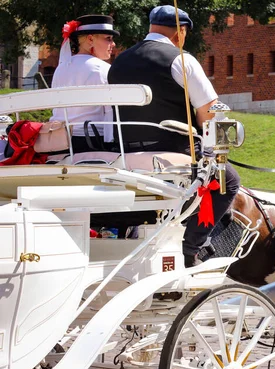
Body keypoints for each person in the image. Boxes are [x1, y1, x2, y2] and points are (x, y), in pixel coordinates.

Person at [108, 5, 240, 268]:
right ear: (180, 32)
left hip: (124, 154)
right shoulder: (181, 59)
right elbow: (210, 110)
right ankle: (193, 247)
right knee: (229, 181)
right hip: (170, 154)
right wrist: (211, 146)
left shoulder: (118, 62)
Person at [50, 15, 118, 152]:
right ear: (90, 39)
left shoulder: (61, 68)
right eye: (108, 39)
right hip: (92, 141)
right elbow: (112, 111)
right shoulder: (102, 69)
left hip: (57, 141)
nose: (113, 44)